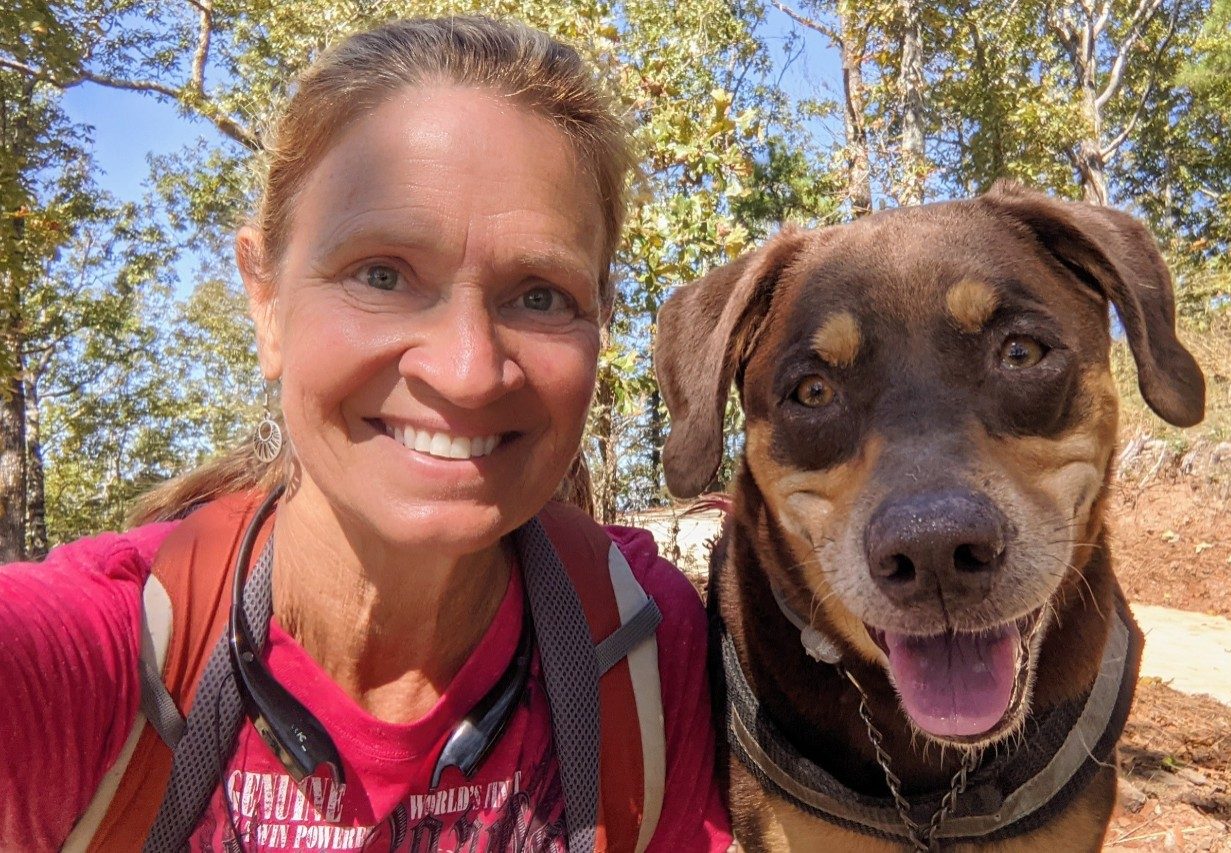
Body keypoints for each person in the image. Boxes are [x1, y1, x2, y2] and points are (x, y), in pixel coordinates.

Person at [0, 16, 730, 851]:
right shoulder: (99, 665)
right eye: (381, 275)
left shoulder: (641, 648)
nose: (465, 368)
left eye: (539, 295)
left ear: (600, 319)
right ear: (266, 300)